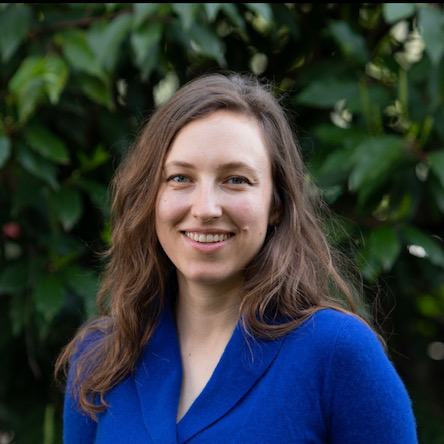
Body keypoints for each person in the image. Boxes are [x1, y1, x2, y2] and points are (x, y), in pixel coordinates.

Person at [55, 72, 418, 443]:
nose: (206, 208)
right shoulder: (101, 356)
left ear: (276, 204)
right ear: (150, 195)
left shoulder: (338, 353)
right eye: (180, 178)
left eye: (236, 180)